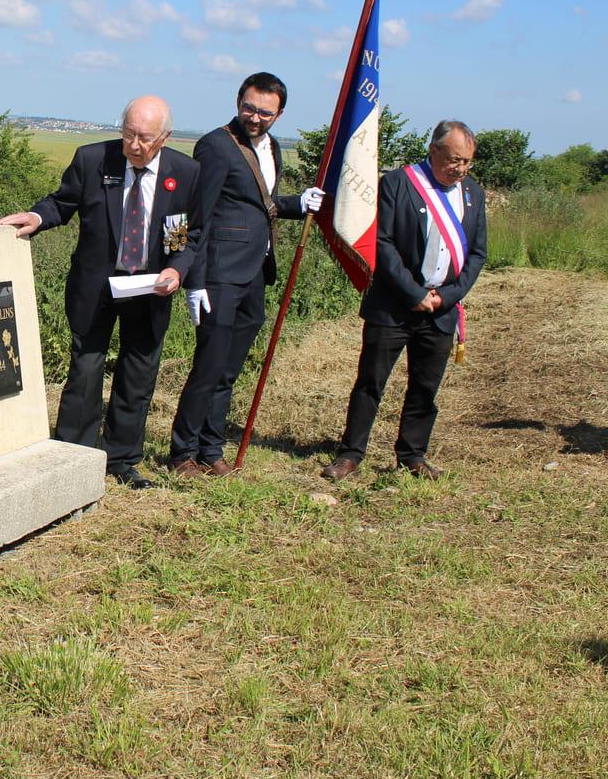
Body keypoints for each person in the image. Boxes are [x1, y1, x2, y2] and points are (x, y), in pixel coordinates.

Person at [0, 95, 201, 489]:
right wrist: (37, 217)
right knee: (86, 368)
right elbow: (63, 202)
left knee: (138, 372)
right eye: (128, 135)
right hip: (95, 286)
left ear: (165, 137)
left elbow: (184, 233)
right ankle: (72, 455)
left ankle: (121, 459)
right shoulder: (93, 160)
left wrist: (176, 270)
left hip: (149, 288)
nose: (135, 146)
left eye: (145, 138)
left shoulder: (185, 172)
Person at [167, 72, 323, 477]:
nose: (255, 118)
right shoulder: (216, 146)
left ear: (280, 114)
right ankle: (182, 452)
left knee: (230, 367)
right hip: (218, 273)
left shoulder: (273, 147)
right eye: (249, 108)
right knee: (209, 364)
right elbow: (196, 217)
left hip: (256, 271)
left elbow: (259, 203)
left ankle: (210, 448)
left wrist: (296, 204)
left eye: (265, 112)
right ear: (238, 101)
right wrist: (194, 280)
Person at [321, 120, 487, 482]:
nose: (461, 169)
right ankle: (351, 453)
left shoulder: (473, 192)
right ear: (434, 150)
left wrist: (445, 296)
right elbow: (382, 243)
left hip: (440, 310)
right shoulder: (398, 183)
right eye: (455, 160)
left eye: (468, 162)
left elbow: (477, 254)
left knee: (426, 387)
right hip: (394, 306)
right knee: (371, 381)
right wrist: (414, 294)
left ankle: (412, 453)